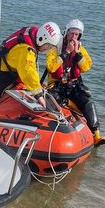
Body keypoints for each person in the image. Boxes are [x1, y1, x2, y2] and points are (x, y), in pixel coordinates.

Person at [46, 19, 104, 147]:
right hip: (57, 85)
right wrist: (66, 52)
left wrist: (77, 53)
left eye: (76, 35)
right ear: (66, 33)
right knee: (52, 100)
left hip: (74, 85)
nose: (73, 37)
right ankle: (67, 104)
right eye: (71, 34)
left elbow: (86, 67)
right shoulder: (56, 48)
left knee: (88, 102)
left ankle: (97, 135)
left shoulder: (80, 50)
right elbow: (51, 67)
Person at [0, 22, 62, 108]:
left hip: (6, 66)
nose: (47, 49)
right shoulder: (27, 51)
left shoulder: (32, 34)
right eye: (48, 46)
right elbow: (29, 72)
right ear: (42, 39)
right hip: (0, 72)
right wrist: (39, 95)